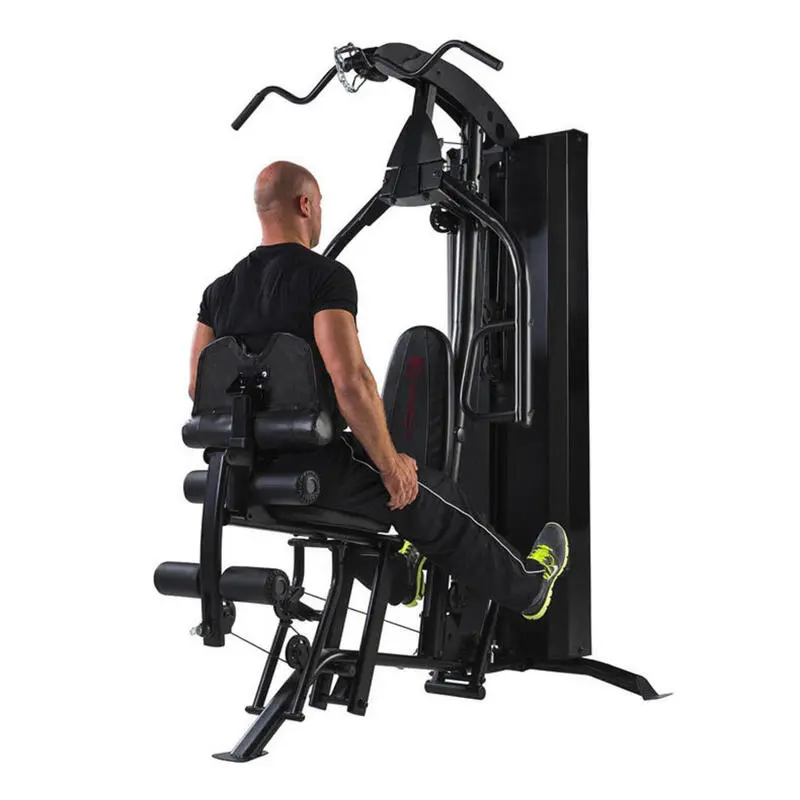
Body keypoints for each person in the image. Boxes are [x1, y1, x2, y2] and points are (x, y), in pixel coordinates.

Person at [189, 160, 569, 619]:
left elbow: (198, 389)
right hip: (315, 473)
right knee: (427, 492)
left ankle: (401, 579)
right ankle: (529, 588)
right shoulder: (324, 277)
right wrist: (391, 466)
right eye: (320, 203)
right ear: (305, 204)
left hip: (241, 478)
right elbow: (352, 381)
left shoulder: (218, 292)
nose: (320, 212)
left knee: (393, 484)